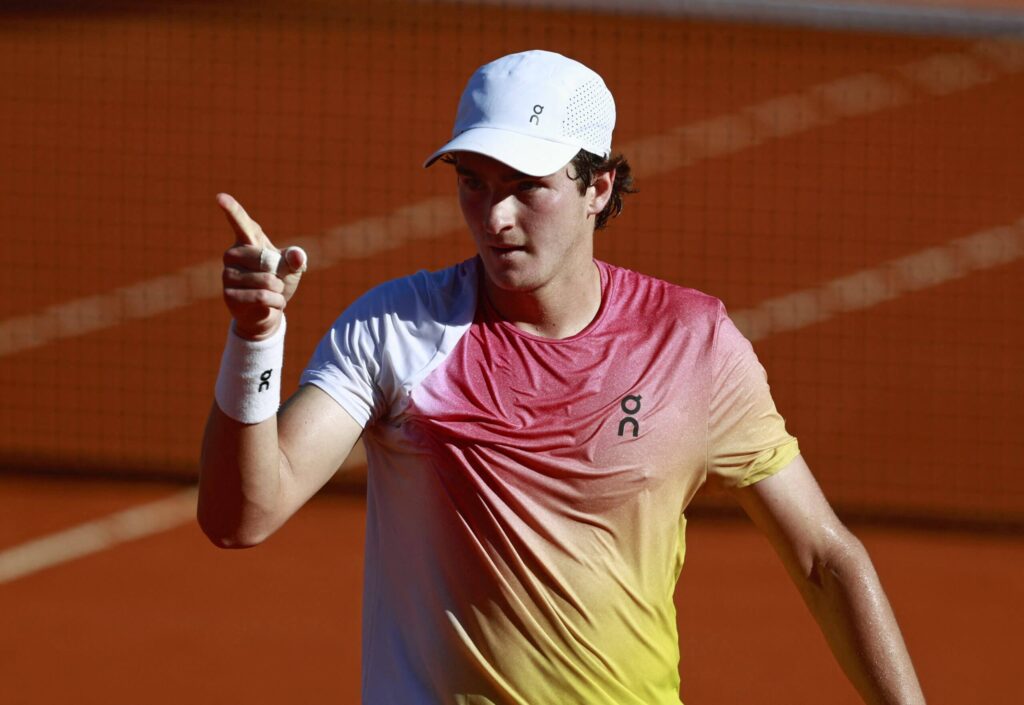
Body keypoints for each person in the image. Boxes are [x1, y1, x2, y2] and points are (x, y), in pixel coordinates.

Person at [199, 50, 926, 705]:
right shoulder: (398, 328)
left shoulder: (693, 344)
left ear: (599, 186)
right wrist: (256, 340)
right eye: (475, 183)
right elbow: (243, 515)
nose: (496, 217)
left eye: (527, 186)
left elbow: (825, 558)